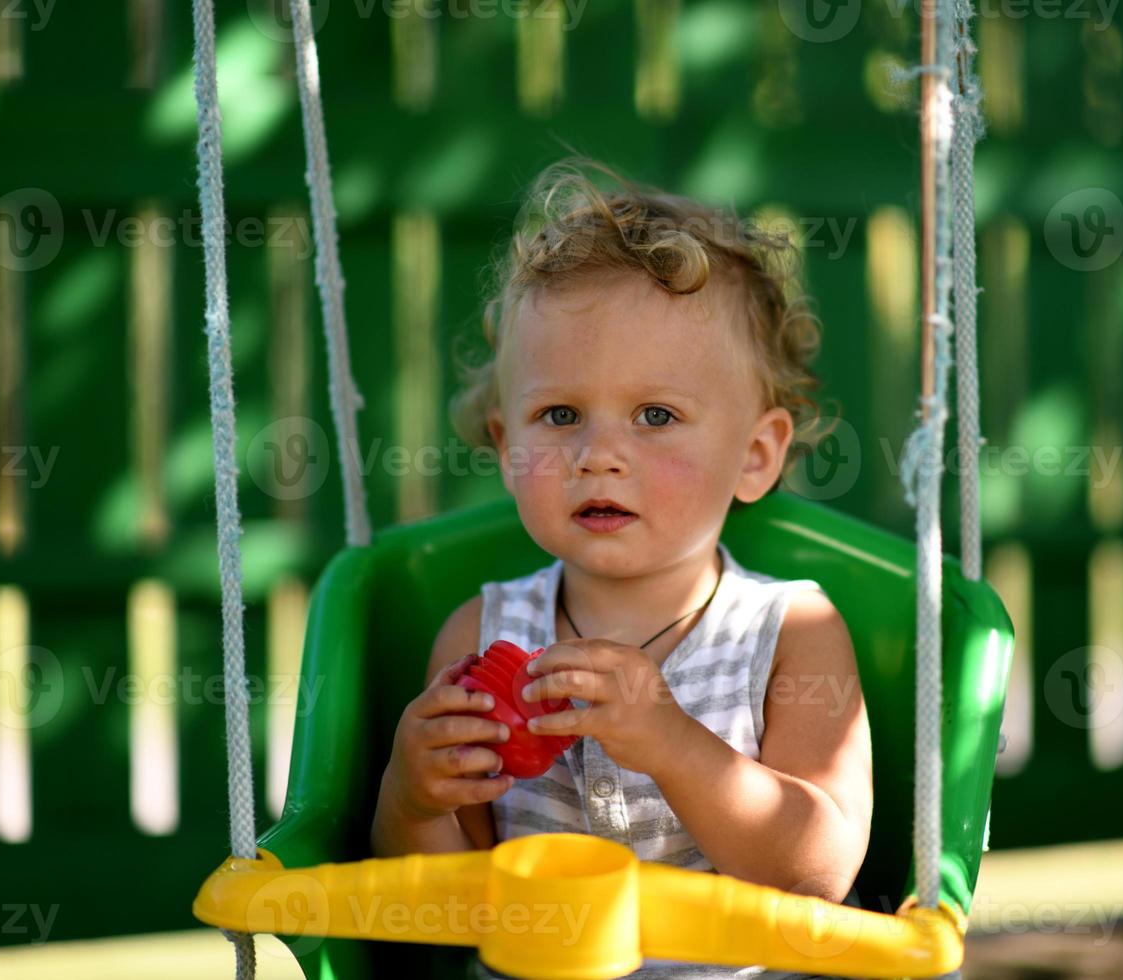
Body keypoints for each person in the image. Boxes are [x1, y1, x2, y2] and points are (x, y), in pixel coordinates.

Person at [371, 156, 872, 979]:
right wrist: (412, 794)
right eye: (559, 414)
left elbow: (815, 873)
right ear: (505, 444)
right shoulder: (484, 633)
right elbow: (445, 904)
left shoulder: (790, 633)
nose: (598, 454)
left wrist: (672, 743)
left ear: (754, 456)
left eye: (656, 415)